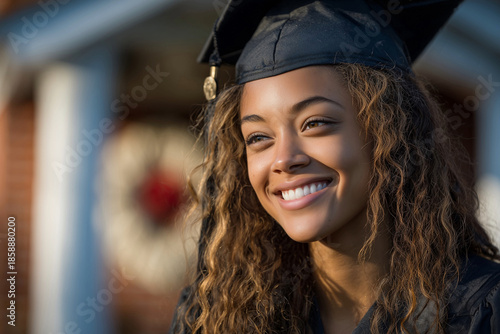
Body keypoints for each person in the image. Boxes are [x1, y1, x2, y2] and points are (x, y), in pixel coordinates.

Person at [170, 0, 500, 333]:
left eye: (315, 123)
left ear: (392, 131)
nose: (284, 159)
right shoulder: (216, 318)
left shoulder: (480, 312)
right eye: (258, 137)